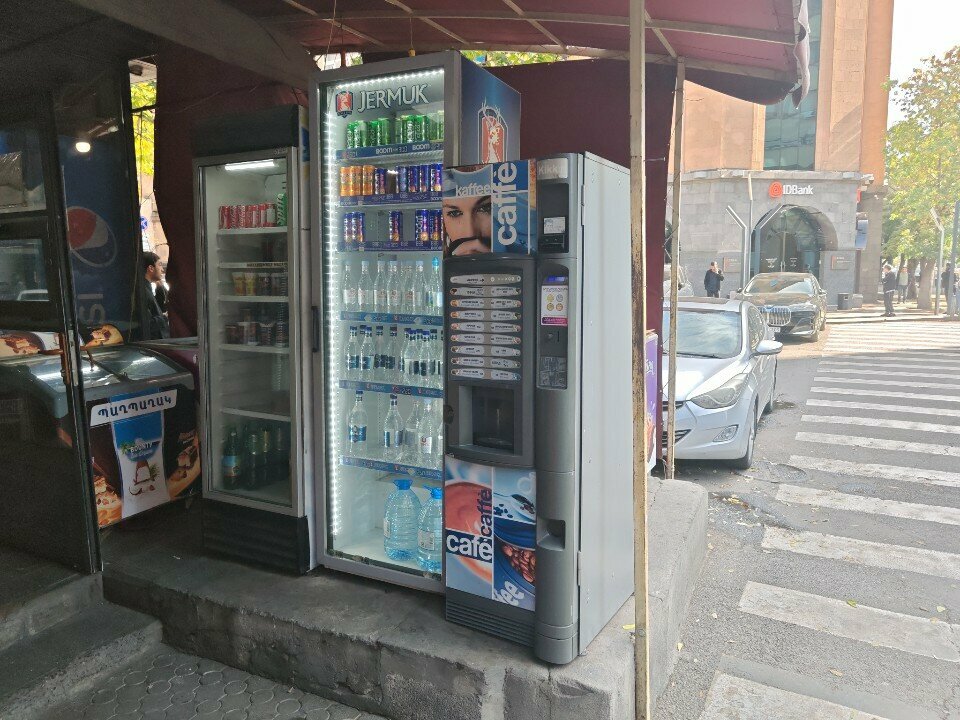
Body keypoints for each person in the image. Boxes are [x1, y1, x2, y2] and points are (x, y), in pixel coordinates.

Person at [140, 251, 169, 339]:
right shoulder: (143, 292)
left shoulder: (146, 288)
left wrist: (160, 287)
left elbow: (157, 308)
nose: (162, 269)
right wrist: (165, 317)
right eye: (159, 265)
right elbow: (147, 325)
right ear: (151, 268)